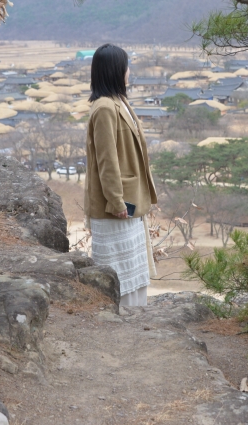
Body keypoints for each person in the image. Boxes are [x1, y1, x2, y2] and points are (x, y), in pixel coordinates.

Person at [84, 44, 157, 307]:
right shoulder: (105, 108)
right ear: (115, 70)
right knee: (118, 270)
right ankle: (120, 317)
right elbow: (107, 160)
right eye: (126, 67)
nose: (128, 72)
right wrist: (115, 201)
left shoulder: (118, 102)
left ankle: (134, 314)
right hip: (116, 205)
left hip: (130, 199)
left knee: (132, 267)